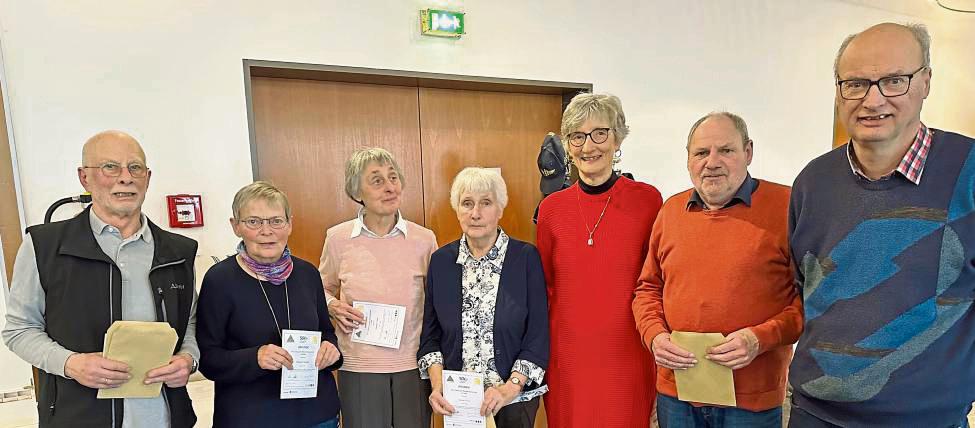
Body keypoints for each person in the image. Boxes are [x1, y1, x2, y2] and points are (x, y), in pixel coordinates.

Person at [788, 23, 975, 427]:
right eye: (855, 83)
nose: (872, 100)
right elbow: (806, 289)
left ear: (926, 81)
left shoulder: (970, 172)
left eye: (893, 81)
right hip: (815, 415)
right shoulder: (812, 183)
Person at [2, 130, 199, 427]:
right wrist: (71, 364)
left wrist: (188, 361)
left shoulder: (179, 251)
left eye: (135, 168)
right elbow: (19, 330)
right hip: (77, 417)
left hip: (164, 417)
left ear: (147, 177)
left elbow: (190, 327)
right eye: (110, 167)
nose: (125, 177)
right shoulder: (45, 246)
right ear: (84, 178)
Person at [632, 112, 803, 427]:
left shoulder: (787, 206)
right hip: (677, 394)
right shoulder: (670, 211)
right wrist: (655, 337)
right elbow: (648, 289)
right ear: (688, 160)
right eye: (701, 153)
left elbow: (808, 300)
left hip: (750, 402)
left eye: (725, 150)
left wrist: (759, 339)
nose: (712, 162)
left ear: (748, 152)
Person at [535, 93, 663, 428]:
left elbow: (655, 283)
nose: (588, 146)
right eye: (577, 136)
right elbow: (547, 287)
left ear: (618, 138)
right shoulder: (551, 210)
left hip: (628, 353)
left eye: (600, 133)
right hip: (567, 356)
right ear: (568, 145)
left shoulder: (648, 201)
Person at [196, 181, 342, 427]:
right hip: (251, 416)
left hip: (317, 413)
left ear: (289, 224)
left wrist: (331, 350)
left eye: (276, 221)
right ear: (236, 226)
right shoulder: (220, 279)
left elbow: (326, 333)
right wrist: (255, 358)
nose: (267, 231)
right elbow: (207, 359)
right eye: (254, 221)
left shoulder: (308, 273)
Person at [418, 167, 549, 428]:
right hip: (459, 404)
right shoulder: (441, 262)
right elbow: (431, 337)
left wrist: (509, 388)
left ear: (500, 208)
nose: (475, 213)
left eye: (485, 203)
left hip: (514, 401)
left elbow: (538, 334)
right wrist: (438, 386)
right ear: (457, 209)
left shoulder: (525, 258)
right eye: (467, 203)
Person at [319, 148, 438, 428]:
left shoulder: (424, 239)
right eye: (377, 180)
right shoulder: (338, 238)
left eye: (393, 178)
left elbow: (436, 303)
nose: (389, 187)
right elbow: (320, 290)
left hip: (413, 364)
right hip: (358, 365)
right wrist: (333, 306)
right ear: (356, 191)